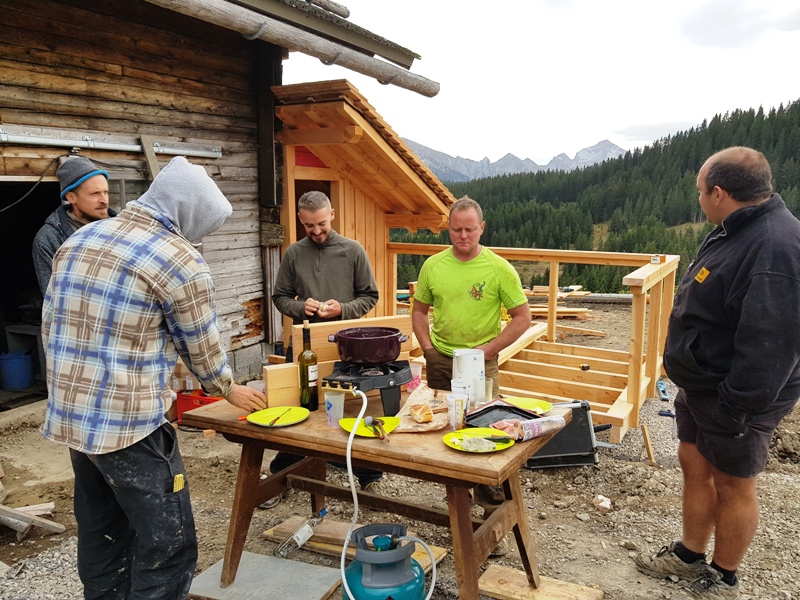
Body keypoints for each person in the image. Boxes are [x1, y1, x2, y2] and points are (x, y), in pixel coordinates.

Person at [41, 156, 266, 599]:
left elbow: (53, 324)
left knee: (104, 535)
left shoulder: (82, 238)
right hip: (129, 427)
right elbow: (201, 346)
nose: (197, 238)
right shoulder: (179, 259)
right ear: (189, 216)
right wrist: (227, 388)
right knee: (169, 546)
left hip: (72, 418)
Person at [635, 147, 800, 599]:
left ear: (720, 192)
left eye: (701, 191)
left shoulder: (775, 247)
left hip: (736, 396)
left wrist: (736, 407)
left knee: (733, 483)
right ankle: (690, 555)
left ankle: (724, 576)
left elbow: (772, 343)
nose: (699, 198)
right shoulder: (735, 228)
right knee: (695, 463)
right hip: (703, 383)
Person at [411, 195, 531, 556]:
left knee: (486, 437)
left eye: (469, 229)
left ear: (482, 228)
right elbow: (418, 311)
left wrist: (485, 352)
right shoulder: (433, 266)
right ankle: (456, 507)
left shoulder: (498, 269)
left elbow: (522, 318)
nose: (462, 236)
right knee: (443, 433)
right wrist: (428, 349)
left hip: (482, 361)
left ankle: (493, 517)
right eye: (456, 229)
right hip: (442, 357)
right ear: (449, 228)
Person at [269, 190, 382, 501]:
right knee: (300, 408)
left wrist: (342, 310)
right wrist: (299, 307)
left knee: (351, 406)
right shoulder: (294, 254)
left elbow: (370, 297)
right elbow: (279, 297)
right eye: (309, 227)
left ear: (332, 214)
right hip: (304, 345)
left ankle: (369, 473)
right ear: (301, 221)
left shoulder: (353, 251)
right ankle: (283, 472)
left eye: (320, 223)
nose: (316, 231)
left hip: (346, 346)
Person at [32, 156, 117, 295]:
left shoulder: (122, 228)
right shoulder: (49, 239)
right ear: (71, 197)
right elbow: (53, 297)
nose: (104, 200)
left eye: (106, 192)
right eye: (95, 193)